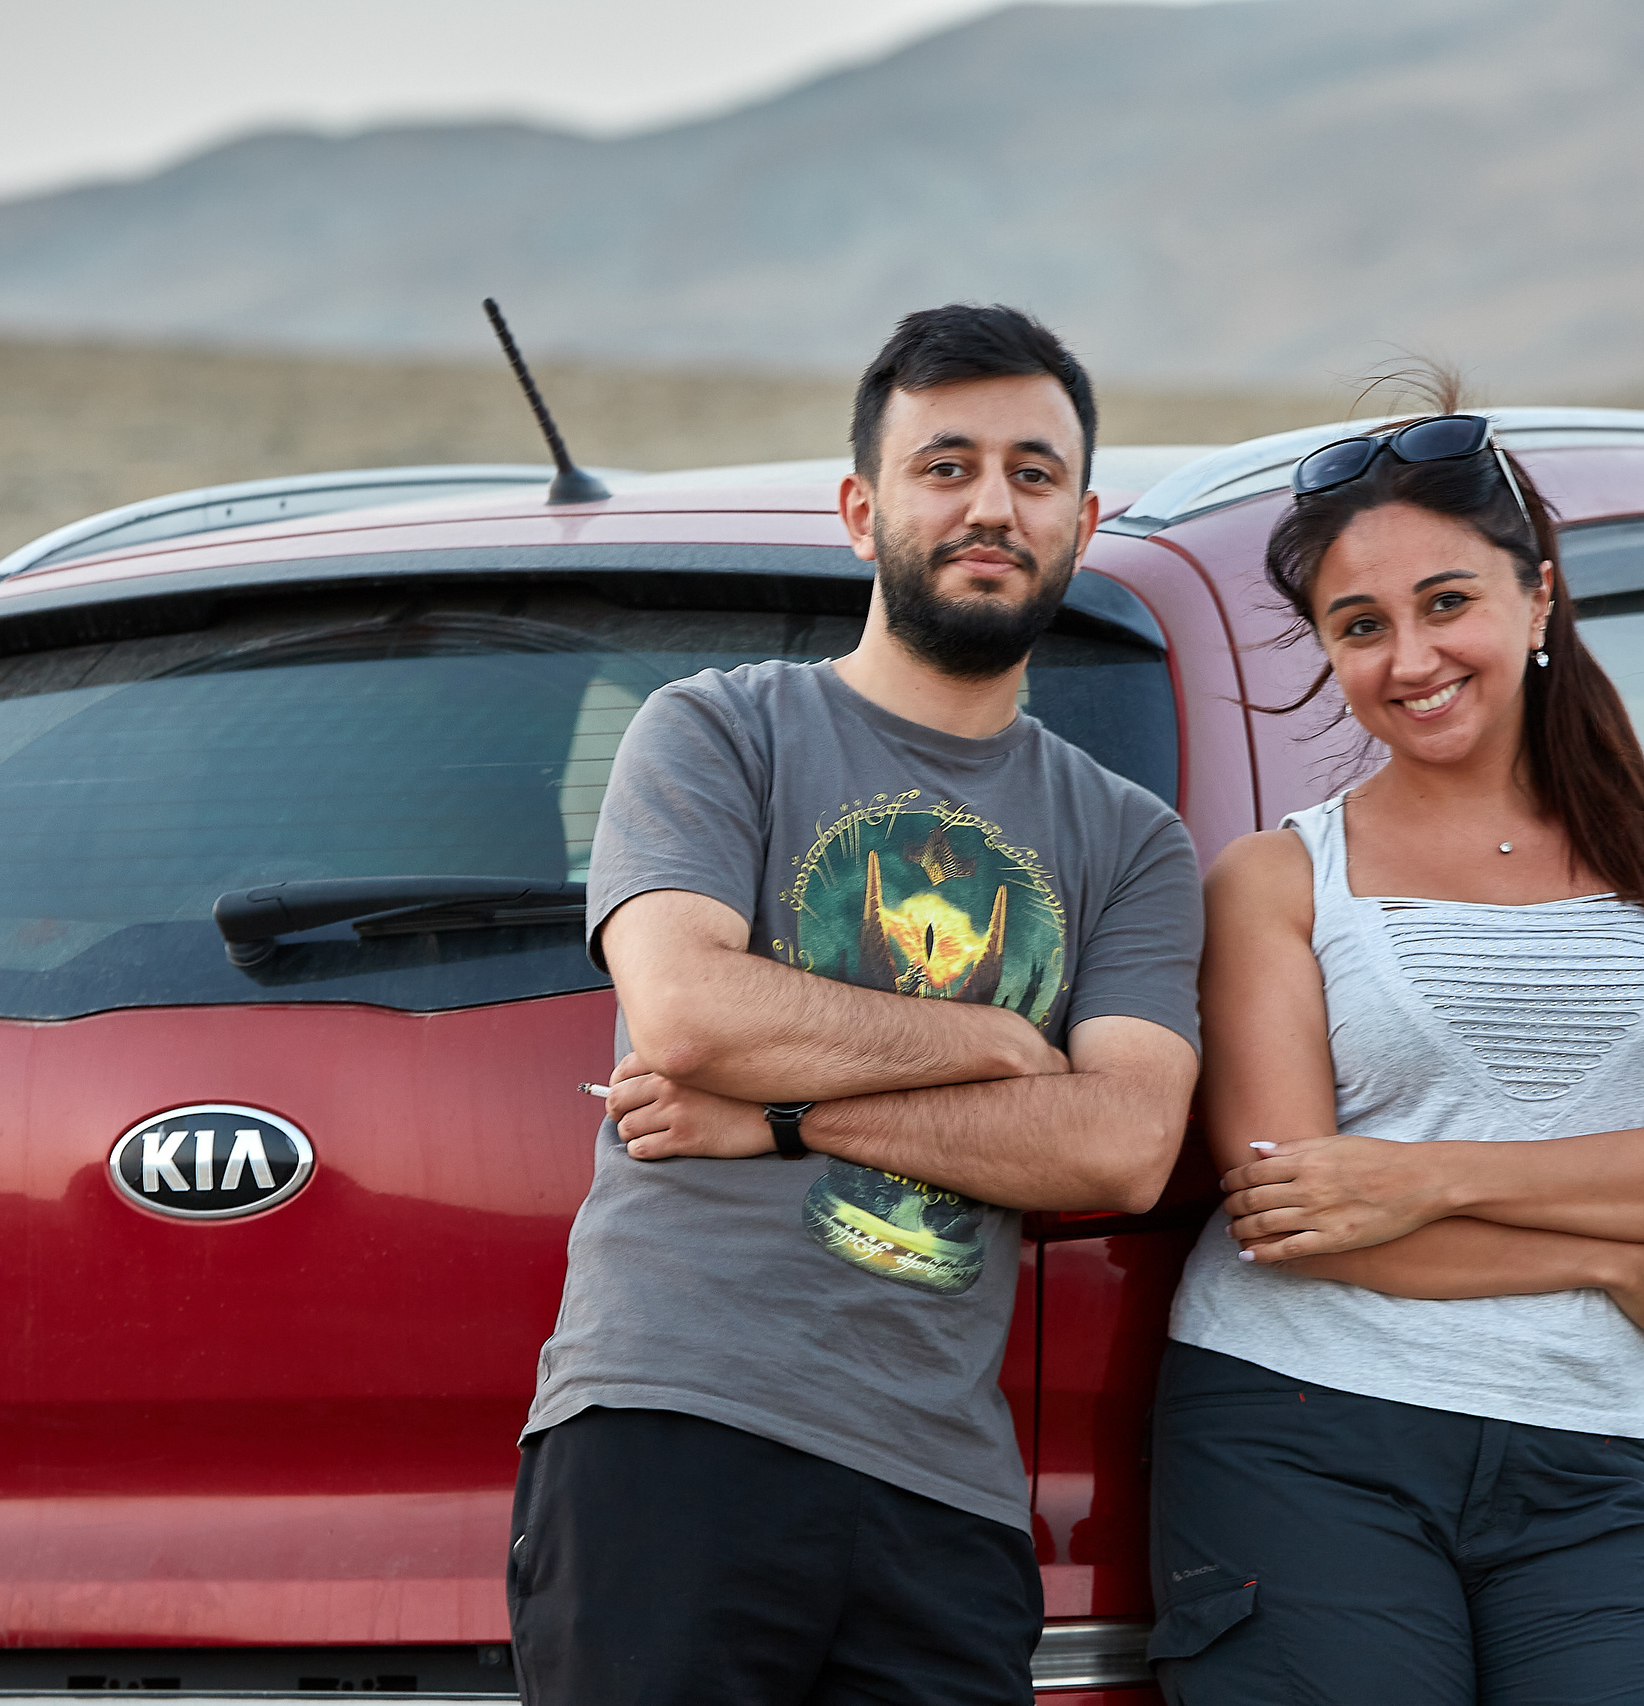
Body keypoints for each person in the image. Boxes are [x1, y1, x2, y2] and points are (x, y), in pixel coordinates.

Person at [512, 304, 1204, 1706]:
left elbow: (1121, 1142)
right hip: (673, 1429)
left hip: (942, 1491)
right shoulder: (719, 731)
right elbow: (691, 1012)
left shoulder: (1131, 842)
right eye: (945, 464)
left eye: (1031, 470)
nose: (991, 503)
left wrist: (783, 1112)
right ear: (861, 506)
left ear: (1081, 514)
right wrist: (1000, 1043)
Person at [1147, 391, 1644, 1705]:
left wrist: (1418, 1176)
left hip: (1581, 1454)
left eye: (1448, 603)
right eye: (1361, 626)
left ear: (1539, 597)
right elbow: (1292, 1217)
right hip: (1302, 1426)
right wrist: (1608, 1249)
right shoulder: (1275, 882)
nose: (1411, 656)